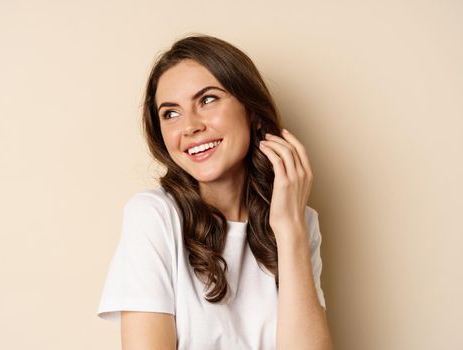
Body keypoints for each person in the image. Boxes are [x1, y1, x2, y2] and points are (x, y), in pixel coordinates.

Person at [97, 34, 333, 349]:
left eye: (207, 99)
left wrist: (290, 231)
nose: (189, 126)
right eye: (170, 113)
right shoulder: (153, 216)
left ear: (249, 108)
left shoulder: (299, 221)